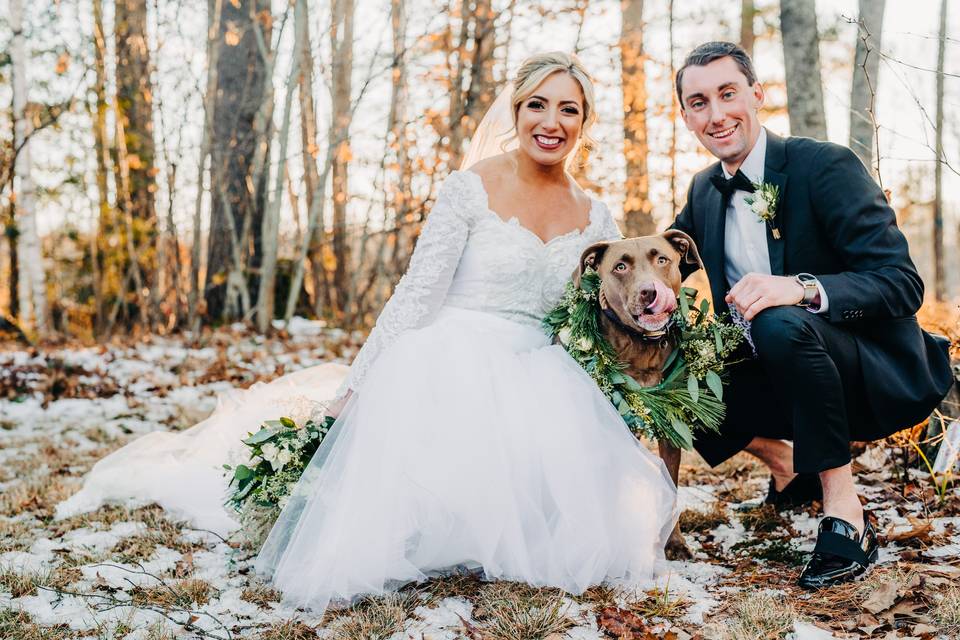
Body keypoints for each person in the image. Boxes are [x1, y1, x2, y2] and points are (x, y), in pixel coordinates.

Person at [59, 52, 678, 615]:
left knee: (589, 533)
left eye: (568, 108)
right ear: (515, 111)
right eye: (537, 104)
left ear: (584, 122)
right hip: (452, 359)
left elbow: (604, 310)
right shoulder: (471, 187)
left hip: (545, 371)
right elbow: (415, 293)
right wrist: (358, 386)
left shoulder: (595, 213)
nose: (552, 121)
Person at [670, 41, 953, 589]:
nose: (716, 114)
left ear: (757, 94)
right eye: (698, 102)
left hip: (868, 370)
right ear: (685, 116)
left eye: (728, 94)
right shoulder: (705, 190)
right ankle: (786, 465)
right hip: (780, 375)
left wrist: (799, 288)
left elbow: (902, 283)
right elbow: (660, 263)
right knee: (675, 355)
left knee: (777, 318)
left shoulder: (823, 166)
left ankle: (846, 514)